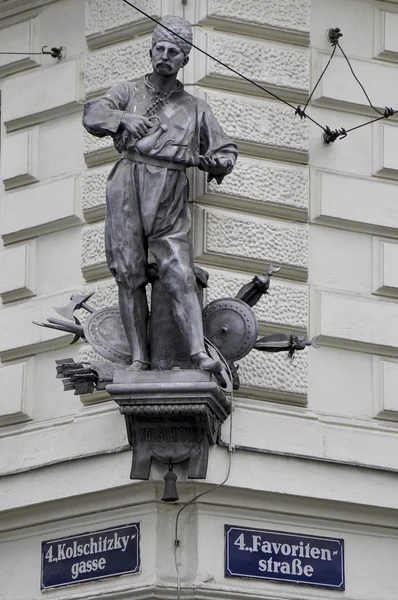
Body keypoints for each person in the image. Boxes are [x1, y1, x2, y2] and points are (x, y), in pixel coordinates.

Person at [83, 15, 238, 372]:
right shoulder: (128, 91)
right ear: (151, 51)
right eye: (160, 48)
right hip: (128, 184)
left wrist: (220, 163)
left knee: (179, 270)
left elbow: (225, 149)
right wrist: (123, 119)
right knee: (128, 270)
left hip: (169, 187)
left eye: (174, 51)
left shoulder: (197, 107)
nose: (165, 56)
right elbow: (93, 113)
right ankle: (139, 357)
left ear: (184, 59)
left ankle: (198, 352)